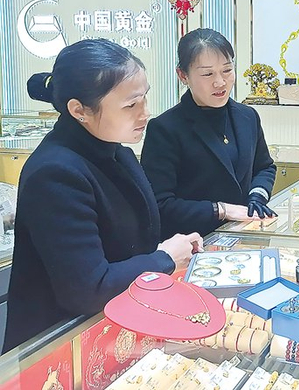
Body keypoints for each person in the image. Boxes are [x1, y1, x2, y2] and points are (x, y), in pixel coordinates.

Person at [3, 39, 202, 353]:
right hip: (58, 346)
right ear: (79, 110)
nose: (146, 113)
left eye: (145, 98)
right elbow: (87, 288)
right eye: (131, 105)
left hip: (114, 325)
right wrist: (164, 259)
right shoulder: (54, 172)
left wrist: (171, 249)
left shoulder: (116, 151)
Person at [141, 28, 276, 239]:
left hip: (243, 237)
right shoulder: (165, 128)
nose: (220, 82)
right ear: (183, 75)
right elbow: (160, 204)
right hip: (193, 243)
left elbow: (265, 167)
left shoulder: (248, 116)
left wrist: (257, 196)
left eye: (227, 70)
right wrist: (221, 210)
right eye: (207, 74)